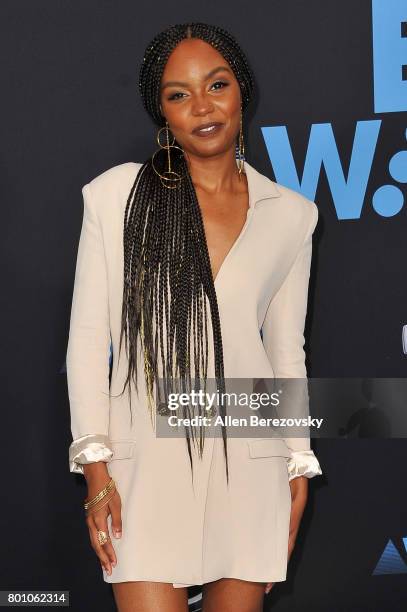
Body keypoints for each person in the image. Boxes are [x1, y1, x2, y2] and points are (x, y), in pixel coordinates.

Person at [66, 22, 323, 612]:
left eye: (217, 85)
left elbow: (285, 354)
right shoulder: (115, 197)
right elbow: (86, 340)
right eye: (179, 94)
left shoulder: (292, 216)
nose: (202, 107)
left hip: (251, 462)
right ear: (161, 112)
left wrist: (298, 460)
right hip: (143, 463)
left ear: (242, 93)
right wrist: (96, 470)